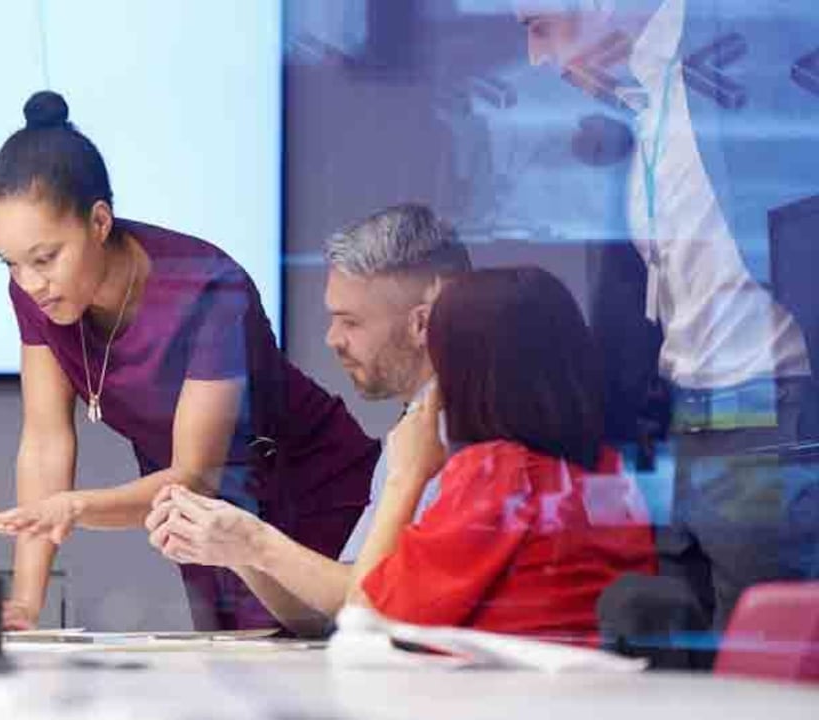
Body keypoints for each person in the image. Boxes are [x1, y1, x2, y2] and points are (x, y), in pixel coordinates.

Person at [0, 91, 380, 631]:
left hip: (305, 487)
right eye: (11, 264)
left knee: (325, 670)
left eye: (45, 259)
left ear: (99, 221)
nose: (30, 283)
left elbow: (195, 474)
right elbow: (46, 441)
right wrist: (26, 601)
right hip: (198, 514)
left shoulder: (206, 287)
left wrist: (75, 507)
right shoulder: (34, 291)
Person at [516, 0, 819, 662]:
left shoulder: (761, 41)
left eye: (538, 23)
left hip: (766, 406)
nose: (537, 56)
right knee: (682, 649)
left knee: (757, 655)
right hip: (687, 419)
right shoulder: (643, 102)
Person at [145, 203, 470, 635]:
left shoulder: (457, 436)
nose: (333, 339)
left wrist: (256, 542)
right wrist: (236, 550)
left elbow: (365, 606)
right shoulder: (412, 433)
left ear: (420, 324)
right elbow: (332, 614)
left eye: (350, 322)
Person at [349, 267, 657, 641]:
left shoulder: (498, 475)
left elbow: (363, 620)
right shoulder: (609, 471)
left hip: (502, 694)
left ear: (464, 375)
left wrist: (405, 478)